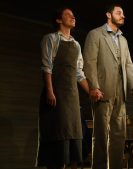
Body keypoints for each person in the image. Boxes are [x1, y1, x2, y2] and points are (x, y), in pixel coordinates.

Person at [82, 3, 133, 169]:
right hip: (102, 91)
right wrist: (94, 87)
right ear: (109, 15)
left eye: (123, 13)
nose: (122, 15)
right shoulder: (95, 35)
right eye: (119, 12)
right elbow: (89, 63)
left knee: (118, 135)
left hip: (121, 93)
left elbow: (129, 65)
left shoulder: (123, 40)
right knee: (101, 136)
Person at [36, 7, 89, 169]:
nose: (73, 17)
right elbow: (47, 67)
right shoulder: (50, 39)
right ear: (59, 20)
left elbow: (79, 73)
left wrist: (91, 92)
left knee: (74, 141)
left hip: (71, 99)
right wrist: (50, 91)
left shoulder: (76, 44)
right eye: (68, 14)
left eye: (74, 14)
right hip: (56, 96)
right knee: (58, 141)